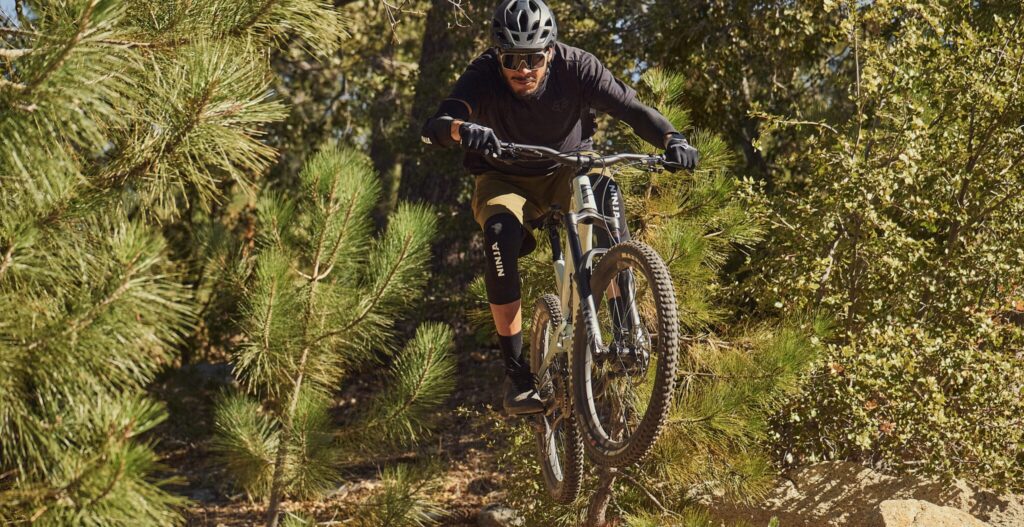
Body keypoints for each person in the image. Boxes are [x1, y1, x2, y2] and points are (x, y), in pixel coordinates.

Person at [420, 0, 699, 416]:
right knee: (499, 236)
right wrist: (465, 130)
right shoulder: (482, 75)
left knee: (605, 197)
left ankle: (624, 334)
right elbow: (436, 126)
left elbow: (632, 110)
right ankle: (517, 376)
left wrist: (672, 139)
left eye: (533, 57)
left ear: (550, 50)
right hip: (504, 177)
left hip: (568, 169)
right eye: (512, 57)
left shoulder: (578, 67)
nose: (523, 68)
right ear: (498, 54)